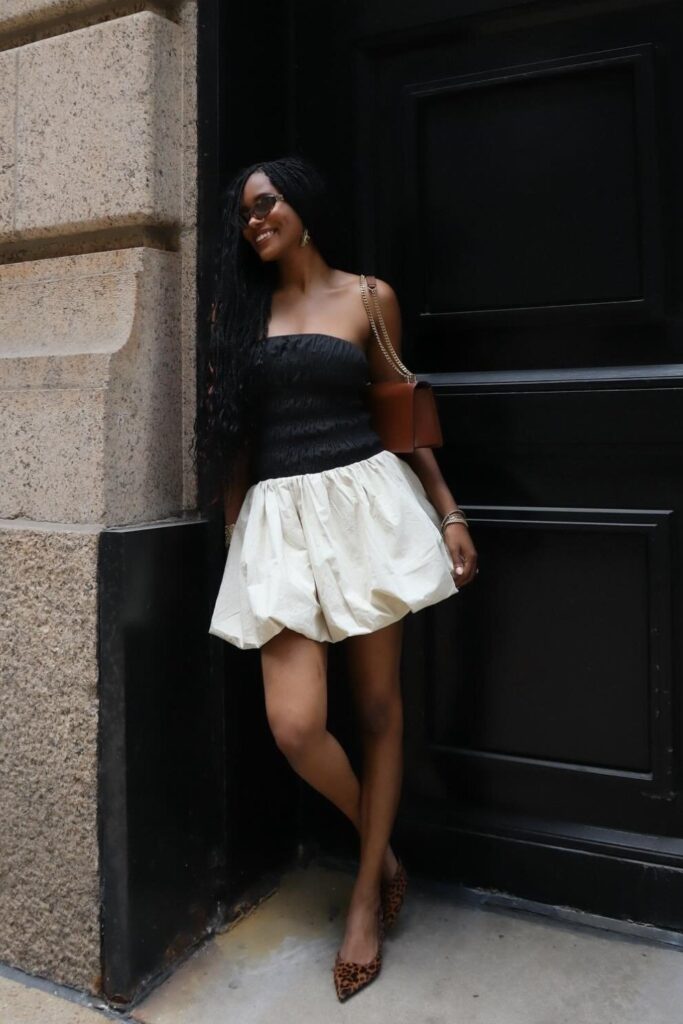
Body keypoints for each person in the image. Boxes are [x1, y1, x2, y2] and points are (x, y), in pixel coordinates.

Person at [196, 155, 478, 1001]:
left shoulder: (367, 298)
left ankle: (363, 902)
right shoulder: (242, 311)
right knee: (295, 726)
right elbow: (234, 444)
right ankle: (380, 849)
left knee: (379, 708)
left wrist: (449, 510)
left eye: (266, 204)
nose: (253, 222)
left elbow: (401, 411)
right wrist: (233, 530)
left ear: (302, 207)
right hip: (277, 525)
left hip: (364, 507)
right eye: (244, 213)